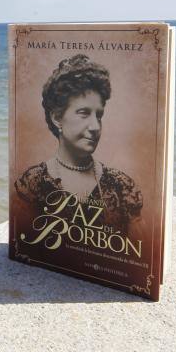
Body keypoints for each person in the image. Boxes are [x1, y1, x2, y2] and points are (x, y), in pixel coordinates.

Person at [14, 54, 144, 238]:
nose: (95, 127)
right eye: (84, 113)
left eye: (99, 116)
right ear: (57, 118)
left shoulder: (121, 186)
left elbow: (138, 246)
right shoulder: (33, 184)